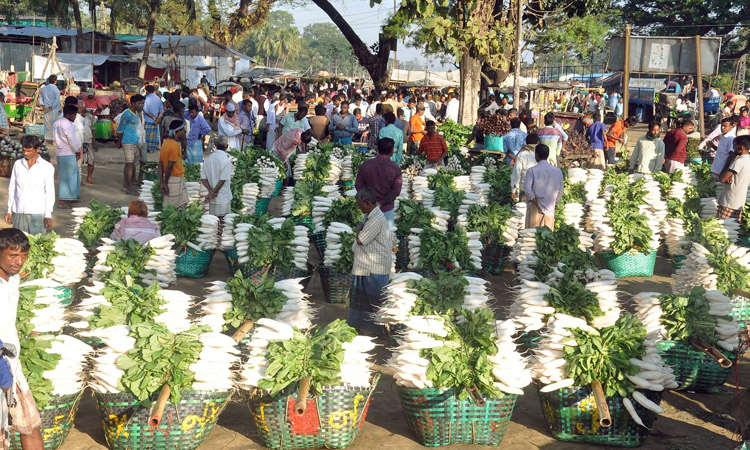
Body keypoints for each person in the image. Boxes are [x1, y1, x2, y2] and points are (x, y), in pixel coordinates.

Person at [0, 229, 44, 450]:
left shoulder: (12, 280)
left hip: (12, 366)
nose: (19, 262)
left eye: (23, 256)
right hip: (1, 367)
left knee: (30, 424)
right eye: (12, 256)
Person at [348, 187, 393, 337]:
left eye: (360, 205)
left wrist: (358, 230)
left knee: (375, 300)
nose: (359, 207)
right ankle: (365, 327)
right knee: (366, 300)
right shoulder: (374, 216)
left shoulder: (375, 220)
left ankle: (379, 330)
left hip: (373, 268)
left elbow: (361, 240)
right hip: (368, 266)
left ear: (368, 203)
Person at [5, 135, 55, 235]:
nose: (25, 153)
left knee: (38, 245)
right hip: (19, 212)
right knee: (19, 244)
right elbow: (12, 188)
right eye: (24, 150)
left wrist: (48, 214)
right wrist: (9, 210)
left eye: (29, 151)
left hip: (38, 214)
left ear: (38, 149)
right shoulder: (18, 165)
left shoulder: (47, 167)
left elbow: (49, 192)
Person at [355, 138, 402, 227]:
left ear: (377, 149)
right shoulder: (395, 169)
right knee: (386, 237)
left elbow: (358, 185)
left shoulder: (365, 166)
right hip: (387, 209)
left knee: (368, 237)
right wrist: (381, 203)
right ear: (392, 151)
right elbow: (396, 191)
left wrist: (368, 201)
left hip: (370, 208)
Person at [524, 144, 564, 229]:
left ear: (537, 155)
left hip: (534, 209)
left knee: (531, 237)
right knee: (547, 238)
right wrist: (552, 202)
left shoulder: (531, 171)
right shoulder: (557, 171)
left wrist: (537, 204)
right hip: (550, 209)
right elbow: (560, 191)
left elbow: (527, 190)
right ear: (547, 155)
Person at [116, 94, 146, 194]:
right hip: (128, 142)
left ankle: (126, 185)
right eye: (139, 103)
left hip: (134, 141)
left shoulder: (137, 113)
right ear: (132, 103)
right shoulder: (127, 114)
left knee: (131, 164)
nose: (141, 105)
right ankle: (129, 187)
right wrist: (121, 141)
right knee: (130, 164)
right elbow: (120, 130)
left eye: (142, 103)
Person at [54, 104, 82, 208]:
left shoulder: (57, 123)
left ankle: (69, 198)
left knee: (65, 176)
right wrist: (77, 151)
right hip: (68, 152)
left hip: (60, 153)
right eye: (74, 115)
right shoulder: (69, 125)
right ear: (70, 114)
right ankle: (63, 201)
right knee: (68, 177)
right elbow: (72, 140)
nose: (75, 117)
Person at [717, 136, 750, 219]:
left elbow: (722, 178)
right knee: (735, 227)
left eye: (734, 145)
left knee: (722, 227)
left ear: (741, 147)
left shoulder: (738, 161)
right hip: (739, 201)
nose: (733, 148)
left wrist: (729, 160)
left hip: (729, 201)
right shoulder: (748, 159)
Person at [159, 120, 189, 209]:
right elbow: (169, 166)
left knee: (173, 205)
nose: (184, 132)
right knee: (174, 207)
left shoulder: (165, 143)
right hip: (174, 179)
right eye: (183, 130)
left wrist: (162, 181)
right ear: (178, 132)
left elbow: (160, 164)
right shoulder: (175, 146)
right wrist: (165, 183)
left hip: (170, 178)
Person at [201, 136, 233, 218]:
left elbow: (203, 178)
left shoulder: (208, 158)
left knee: (213, 221)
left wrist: (210, 191)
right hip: (222, 197)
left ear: (215, 145)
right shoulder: (225, 160)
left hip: (213, 198)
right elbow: (222, 180)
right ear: (227, 146)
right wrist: (214, 192)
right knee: (222, 221)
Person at [73, 99, 98, 185]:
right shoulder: (74, 117)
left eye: (80, 108)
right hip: (79, 142)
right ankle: (78, 179)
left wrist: (94, 142)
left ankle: (89, 178)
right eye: (77, 108)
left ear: (84, 108)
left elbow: (93, 129)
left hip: (88, 141)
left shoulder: (89, 117)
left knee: (91, 160)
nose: (79, 110)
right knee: (78, 161)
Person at [511, 133, 539, 201]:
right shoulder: (541, 154)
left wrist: (513, 190)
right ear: (537, 142)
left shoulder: (521, 155)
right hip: (539, 189)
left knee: (523, 209)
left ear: (526, 142)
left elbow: (516, 174)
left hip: (525, 188)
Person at [143, 85, 164, 153]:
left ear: (147, 91)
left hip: (147, 120)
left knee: (146, 135)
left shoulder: (146, 99)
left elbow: (145, 110)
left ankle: (146, 149)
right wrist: (158, 118)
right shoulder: (158, 99)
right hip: (155, 121)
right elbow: (161, 111)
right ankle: (152, 149)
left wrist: (153, 117)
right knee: (153, 136)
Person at [40, 75, 61, 144]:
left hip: (46, 109)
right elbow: (57, 100)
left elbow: (40, 98)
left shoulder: (44, 89)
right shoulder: (56, 90)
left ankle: (46, 139)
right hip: (54, 110)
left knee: (47, 124)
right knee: (55, 125)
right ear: (55, 81)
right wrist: (51, 107)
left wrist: (43, 107)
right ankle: (54, 141)